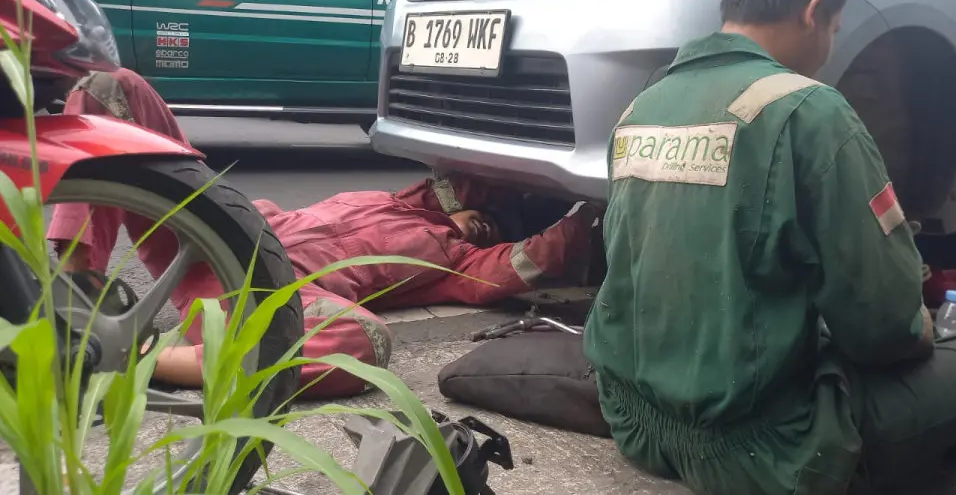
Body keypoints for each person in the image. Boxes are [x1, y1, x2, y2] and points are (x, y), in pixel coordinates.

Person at [582, 0, 956, 494]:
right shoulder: (811, 111)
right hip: (769, 451)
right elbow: (885, 331)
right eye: (834, 27)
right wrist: (920, 327)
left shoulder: (642, 107)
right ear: (815, 13)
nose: (831, 42)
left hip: (638, 426)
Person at [48, 69, 599, 398]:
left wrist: (595, 211)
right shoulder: (395, 200)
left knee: (369, 343)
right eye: (486, 212)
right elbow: (464, 170)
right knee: (110, 89)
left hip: (262, 295)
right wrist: (467, 199)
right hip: (213, 230)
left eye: (494, 228)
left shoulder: (455, 262)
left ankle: (133, 358)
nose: (484, 224)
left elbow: (526, 261)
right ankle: (75, 285)